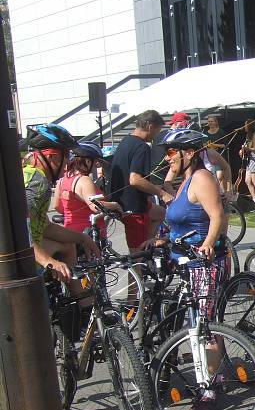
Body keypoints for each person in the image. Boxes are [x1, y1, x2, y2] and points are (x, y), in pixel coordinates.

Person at [160, 128, 228, 410]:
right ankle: (213, 375)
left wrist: (209, 243)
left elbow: (218, 216)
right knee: (193, 322)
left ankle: (209, 391)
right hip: (183, 262)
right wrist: (160, 239)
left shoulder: (201, 178)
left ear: (188, 153)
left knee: (204, 326)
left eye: (171, 152)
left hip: (203, 263)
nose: (167, 158)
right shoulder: (184, 180)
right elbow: (174, 218)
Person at [22, 124, 101, 289]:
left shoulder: (29, 174)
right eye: (66, 156)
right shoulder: (38, 182)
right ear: (52, 157)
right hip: (18, 260)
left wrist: (81, 237)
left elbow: (45, 227)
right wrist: (49, 262)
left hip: (25, 250)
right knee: (40, 311)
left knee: (68, 244)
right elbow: (21, 230)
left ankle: (77, 301)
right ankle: (80, 305)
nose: (68, 162)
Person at [109, 109, 172, 251]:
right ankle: (141, 261)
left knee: (160, 213)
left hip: (121, 201)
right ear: (150, 127)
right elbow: (135, 179)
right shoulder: (142, 147)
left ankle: (148, 244)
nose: (156, 135)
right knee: (137, 254)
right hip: (134, 207)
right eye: (157, 131)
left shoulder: (126, 141)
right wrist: (162, 193)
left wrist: (148, 194)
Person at [54, 142, 123, 237]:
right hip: (88, 232)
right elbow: (95, 206)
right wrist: (115, 205)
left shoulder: (62, 180)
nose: (95, 165)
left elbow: (57, 206)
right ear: (87, 161)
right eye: (94, 161)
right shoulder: (84, 180)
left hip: (70, 231)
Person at [240, 120, 255, 208]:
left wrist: (247, 149)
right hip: (249, 159)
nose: (244, 127)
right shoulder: (247, 136)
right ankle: (254, 199)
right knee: (247, 181)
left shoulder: (254, 135)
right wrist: (242, 151)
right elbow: (247, 147)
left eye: (245, 125)